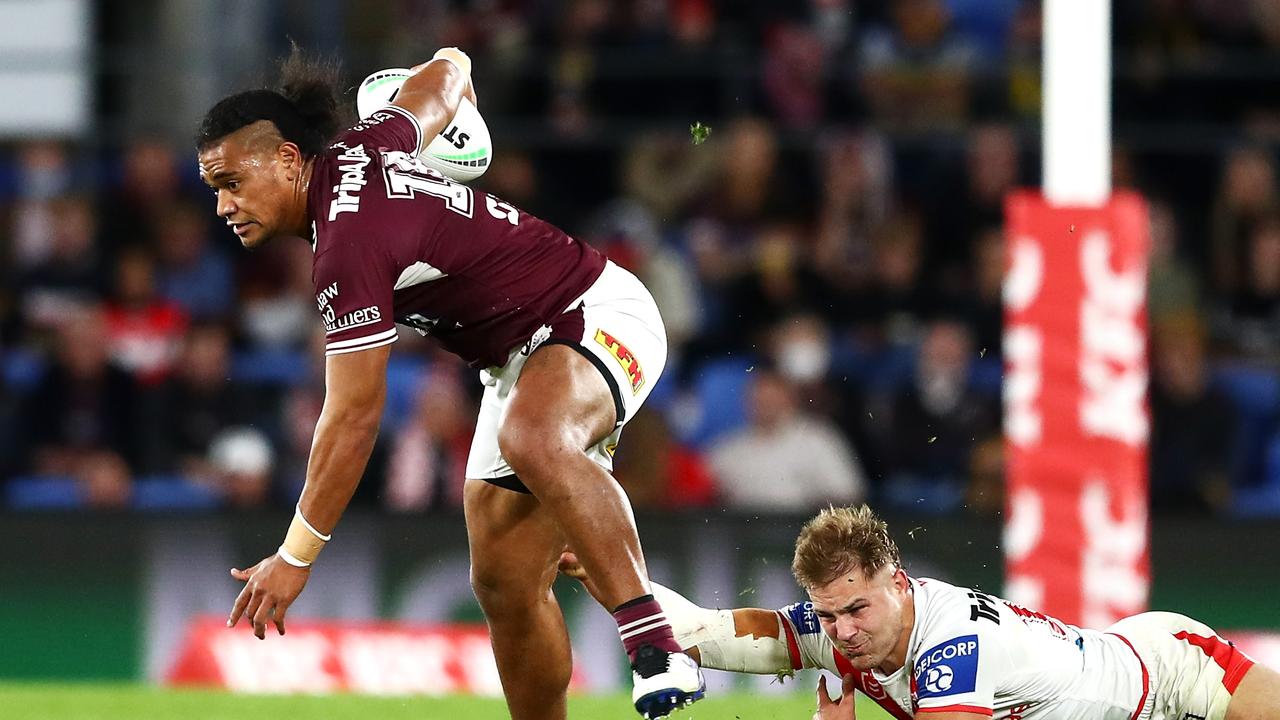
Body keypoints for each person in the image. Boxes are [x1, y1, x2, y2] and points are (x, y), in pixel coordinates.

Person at [195, 47, 703, 720]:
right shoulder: (370, 142)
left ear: (289, 159)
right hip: (516, 365)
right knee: (504, 582)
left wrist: (295, 555)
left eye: (233, 181)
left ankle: (655, 644)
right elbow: (450, 70)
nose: (225, 205)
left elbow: (351, 418)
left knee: (534, 435)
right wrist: (455, 75)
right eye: (214, 190)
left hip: (595, 312)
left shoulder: (347, 245)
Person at [561, 505, 1280, 720]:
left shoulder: (950, 645)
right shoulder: (837, 632)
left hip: (1177, 669)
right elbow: (704, 634)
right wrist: (615, 578)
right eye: (828, 615)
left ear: (898, 583)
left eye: (856, 609)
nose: (842, 630)